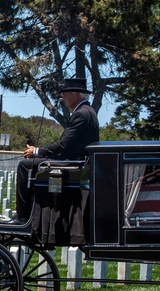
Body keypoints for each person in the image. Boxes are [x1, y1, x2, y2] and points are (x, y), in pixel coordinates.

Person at [15, 78, 99, 223]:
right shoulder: (87, 111)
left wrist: (37, 151)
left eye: (65, 94)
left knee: (24, 166)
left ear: (76, 94)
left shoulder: (81, 114)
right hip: (76, 161)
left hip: (73, 162)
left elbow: (63, 145)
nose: (63, 98)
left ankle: (23, 216)